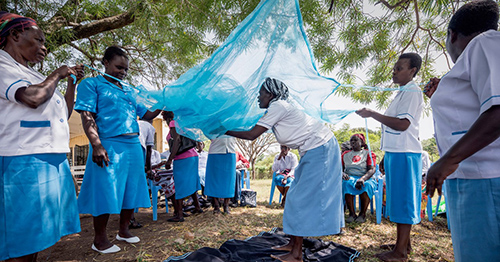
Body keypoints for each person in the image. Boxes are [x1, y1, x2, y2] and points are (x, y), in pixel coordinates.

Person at [226, 77, 343, 262]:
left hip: (321, 147)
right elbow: (251, 127)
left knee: (299, 197)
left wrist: (224, 129)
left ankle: (296, 254)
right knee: (294, 195)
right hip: (312, 149)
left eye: (261, 93)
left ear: (270, 95)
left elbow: (251, 135)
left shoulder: (278, 106)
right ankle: (292, 243)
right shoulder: (277, 109)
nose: (258, 97)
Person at [0, 11, 83, 261]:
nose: (44, 48)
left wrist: (71, 84)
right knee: (22, 238)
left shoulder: (33, 74)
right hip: (24, 159)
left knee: (37, 234)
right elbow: (32, 98)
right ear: (15, 35)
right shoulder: (3, 66)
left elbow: (63, 114)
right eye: (39, 40)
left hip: (50, 157)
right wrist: (57, 74)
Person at [424, 1, 500, 261]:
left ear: (452, 34)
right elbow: (470, 108)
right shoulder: (478, 55)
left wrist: (447, 161)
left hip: (485, 181)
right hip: (473, 180)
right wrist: (443, 91)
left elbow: (498, 112)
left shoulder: (485, 43)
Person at [75, 46, 160, 253]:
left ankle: (124, 230)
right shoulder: (91, 84)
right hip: (108, 143)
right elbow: (87, 116)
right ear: (105, 62)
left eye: (126, 69)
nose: (122, 72)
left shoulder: (129, 89)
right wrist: (96, 144)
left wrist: (164, 101)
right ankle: (100, 240)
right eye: (118, 67)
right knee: (105, 189)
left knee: (131, 188)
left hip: (132, 144)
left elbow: (147, 115)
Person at [356, 52, 423, 261]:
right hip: (396, 152)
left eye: (399, 68)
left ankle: (400, 253)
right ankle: (403, 244)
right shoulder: (402, 93)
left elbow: (403, 124)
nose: (394, 71)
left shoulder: (413, 92)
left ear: (412, 71)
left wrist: (373, 114)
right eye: (394, 67)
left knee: (403, 200)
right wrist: (387, 155)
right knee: (397, 198)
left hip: (406, 153)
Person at [162, 111, 203, 222]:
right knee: (192, 181)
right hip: (193, 156)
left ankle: (179, 214)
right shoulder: (184, 124)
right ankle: (197, 207)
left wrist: (169, 159)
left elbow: (177, 141)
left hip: (182, 158)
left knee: (179, 184)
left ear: (167, 118)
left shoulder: (173, 123)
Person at [342, 134, 377, 223]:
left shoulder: (368, 153)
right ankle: (352, 214)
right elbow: (339, 168)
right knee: (346, 183)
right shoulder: (345, 154)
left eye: (355, 140)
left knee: (367, 185)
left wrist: (363, 179)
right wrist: (342, 173)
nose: (353, 142)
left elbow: (372, 169)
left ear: (361, 142)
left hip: (365, 176)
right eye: (351, 141)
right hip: (350, 176)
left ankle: (362, 214)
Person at [129, 118, 157, 229]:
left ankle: (128, 217)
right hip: (137, 148)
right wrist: (149, 168)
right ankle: (130, 219)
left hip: (127, 144)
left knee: (128, 184)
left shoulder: (135, 122)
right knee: (133, 185)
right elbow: (149, 149)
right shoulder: (150, 127)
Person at [205, 137, 237, 214]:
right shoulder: (213, 124)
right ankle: (216, 205)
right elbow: (207, 132)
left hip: (230, 150)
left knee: (229, 180)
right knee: (214, 178)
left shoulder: (233, 124)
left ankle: (226, 205)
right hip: (215, 151)